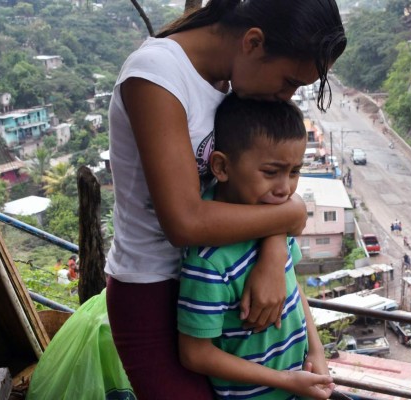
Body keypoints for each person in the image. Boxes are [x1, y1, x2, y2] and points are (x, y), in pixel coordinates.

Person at [103, 1, 347, 398]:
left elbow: (267, 177)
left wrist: (272, 251)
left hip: (232, 275)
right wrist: (293, 213)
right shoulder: (157, 75)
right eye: (288, 81)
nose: (286, 97)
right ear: (253, 42)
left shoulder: (235, 83)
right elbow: (185, 222)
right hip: (155, 289)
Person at [178, 94, 332, 399]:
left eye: (295, 172)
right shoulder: (209, 260)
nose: (285, 188)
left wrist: (317, 351)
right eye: (271, 172)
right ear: (221, 167)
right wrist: (284, 380)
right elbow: (195, 353)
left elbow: (293, 288)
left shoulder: (274, 223)